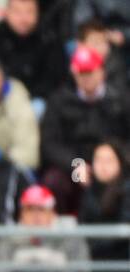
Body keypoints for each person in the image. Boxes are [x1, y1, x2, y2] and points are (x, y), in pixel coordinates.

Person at [40, 45, 130, 212]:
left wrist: (117, 160)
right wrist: (75, 163)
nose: (86, 78)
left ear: (102, 71)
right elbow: (50, 143)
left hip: (116, 164)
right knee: (54, 181)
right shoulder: (59, 101)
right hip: (76, 165)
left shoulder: (121, 99)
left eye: (90, 72)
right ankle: (61, 233)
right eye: (81, 73)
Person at [0, 0, 69, 108]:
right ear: (7, 12)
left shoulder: (48, 39)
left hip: (36, 100)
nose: (23, 19)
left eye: (29, 12)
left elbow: (54, 82)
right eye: (17, 12)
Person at [78, 139, 130, 272]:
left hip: (121, 263)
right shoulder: (89, 192)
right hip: (94, 263)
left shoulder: (127, 190)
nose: (103, 166)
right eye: (98, 160)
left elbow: (124, 230)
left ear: (120, 162)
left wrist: (95, 245)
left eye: (109, 160)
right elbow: (83, 224)